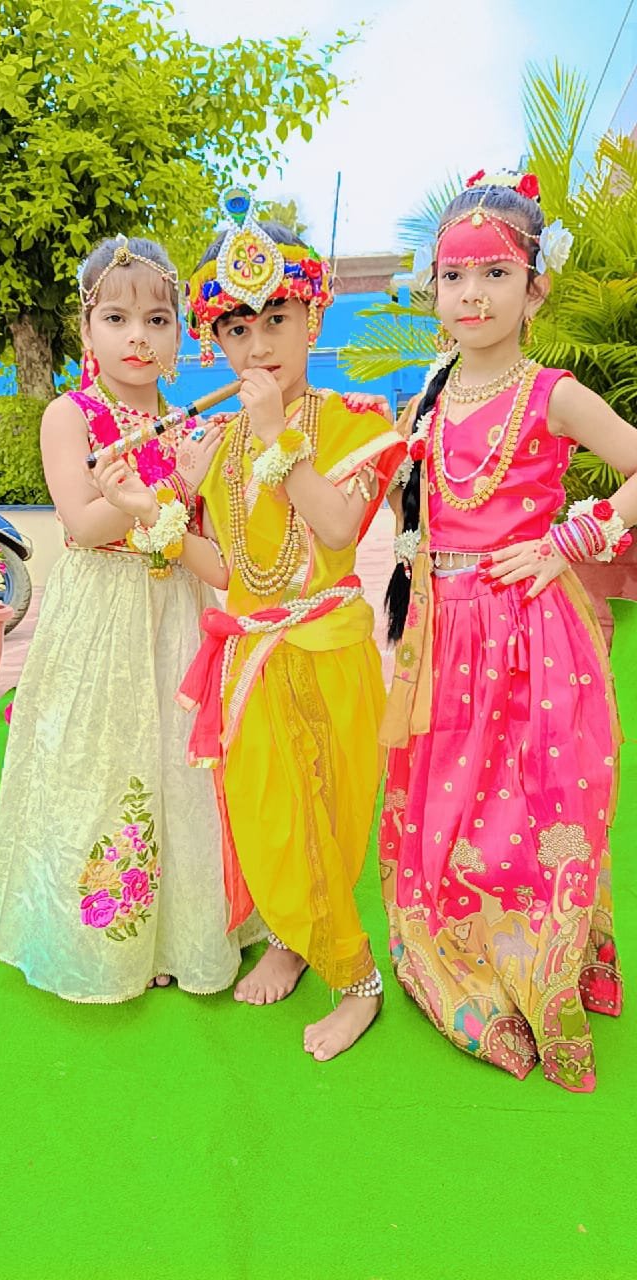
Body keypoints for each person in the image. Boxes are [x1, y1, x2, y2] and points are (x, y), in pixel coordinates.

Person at [379, 170, 637, 1092]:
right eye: (455, 275)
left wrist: (575, 539)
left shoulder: (553, 394)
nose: (473, 294)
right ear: (433, 290)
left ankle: (541, 967)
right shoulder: (429, 396)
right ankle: (469, 966)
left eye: (495, 273)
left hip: (533, 630)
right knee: (453, 806)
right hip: (445, 635)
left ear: (535, 288)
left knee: (536, 805)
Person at [0, 234, 262, 1002]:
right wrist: (166, 491)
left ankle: (186, 933)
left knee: (182, 767)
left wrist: (186, 488)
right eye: (117, 319)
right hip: (99, 612)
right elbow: (81, 521)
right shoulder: (70, 415)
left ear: (179, 334)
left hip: (180, 611)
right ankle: (102, 943)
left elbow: (212, 547)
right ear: (86, 327)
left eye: (158, 321)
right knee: (101, 763)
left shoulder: (192, 427)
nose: (139, 337)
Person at [169, 189, 406, 1061]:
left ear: (314, 318)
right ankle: (298, 941)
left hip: (327, 649)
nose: (259, 345)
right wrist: (160, 514)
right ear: (217, 342)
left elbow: (339, 531)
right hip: (251, 658)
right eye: (238, 329)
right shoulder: (220, 444)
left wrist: (279, 437)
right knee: (269, 817)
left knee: (327, 819)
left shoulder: (355, 422)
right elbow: (230, 572)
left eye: (277, 320)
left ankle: (356, 981)